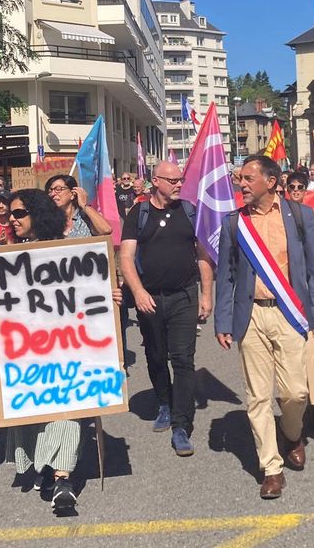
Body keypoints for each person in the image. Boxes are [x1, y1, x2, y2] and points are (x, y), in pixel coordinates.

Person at [214, 155, 314, 500]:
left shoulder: (300, 216)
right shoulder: (234, 223)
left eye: (249, 178)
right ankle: (272, 468)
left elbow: (313, 269)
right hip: (250, 317)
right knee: (257, 397)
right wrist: (223, 320)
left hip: (289, 313)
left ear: (271, 180)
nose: (242, 184)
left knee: (296, 392)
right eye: (240, 179)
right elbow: (226, 276)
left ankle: (291, 433)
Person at [5, 189, 92, 512]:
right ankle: (47, 465)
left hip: (67, 349)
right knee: (39, 413)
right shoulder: (8, 257)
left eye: (19, 214)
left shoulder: (66, 252)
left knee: (67, 411)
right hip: (28, 352)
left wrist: (106, 299)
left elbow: (87, 293)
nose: (12, 220)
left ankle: (63, 479)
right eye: (11, 214)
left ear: (38, 215)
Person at [119, 161, 213, 456]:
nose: (178, 184)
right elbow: (126, 256)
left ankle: (181, 425)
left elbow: (203, 255)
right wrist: (138, 291)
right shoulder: (139, 213)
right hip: (150, 299)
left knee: (183, 359)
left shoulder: (189, 211)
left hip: (183, 296)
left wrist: (206, 294)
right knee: (156, 355)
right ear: (156, 181)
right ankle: (163, 401)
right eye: (172, 180)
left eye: (181, 180)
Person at [45, 174, 113, 238]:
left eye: (58, 189)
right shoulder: (47, 220)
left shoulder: (85, 217)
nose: (52, 194)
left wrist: (84, 205)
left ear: (72, 194)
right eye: (50, 191)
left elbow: (106, 230)